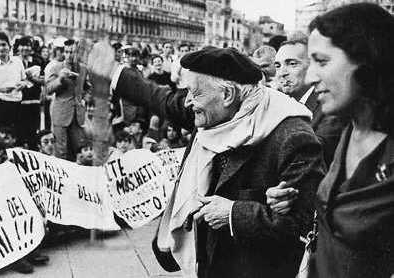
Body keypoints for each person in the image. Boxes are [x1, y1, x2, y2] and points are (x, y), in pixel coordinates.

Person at [88, 42, 325, 278]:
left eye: (194, 93)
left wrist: (234, 213)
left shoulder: (293, 139)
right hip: (205, 263)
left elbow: (302, 225)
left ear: (228, 94)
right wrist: (113, 72)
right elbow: (161, 98)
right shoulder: (213, 107)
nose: (188, 102)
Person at [266, 3, 394, 278]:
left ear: (368, 60)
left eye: (322, 61)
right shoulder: (353, 131)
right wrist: (296, 201)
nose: (311, 77)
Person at [275, 37, 346, 165]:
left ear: (311, 67)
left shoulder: (328, 105)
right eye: (278, 66)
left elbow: (316, 151)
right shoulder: (277, 104)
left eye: (292, 64)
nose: (282, 73)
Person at [44, 38, 86, 161]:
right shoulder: (56, 67)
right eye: (67, 52)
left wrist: (85, 96)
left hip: (78, 115)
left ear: (78, 53)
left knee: (78, 149)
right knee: (61, 151)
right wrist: (60, 79)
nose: (69, 55)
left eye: (72, 52)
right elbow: (48, 89)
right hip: (61, 114)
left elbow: (86, 85)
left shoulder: (83, 69)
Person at [15, 37, 43, 148]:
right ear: (17, 47)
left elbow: (43, 80)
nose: (25, 48)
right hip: (19, 102)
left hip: (34, 101)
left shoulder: (37, 61)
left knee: (32, 134)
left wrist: (31, 77)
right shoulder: (14, 61)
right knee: (19, 133)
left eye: (27, 45)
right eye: (22, 45)